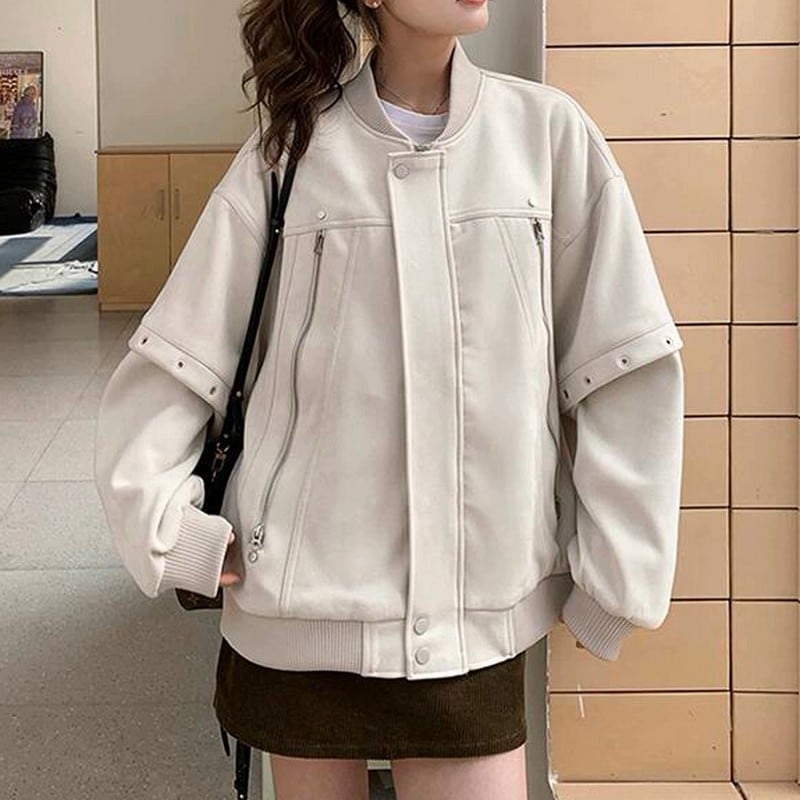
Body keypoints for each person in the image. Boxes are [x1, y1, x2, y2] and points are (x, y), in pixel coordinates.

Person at [93, 1, 685, 798]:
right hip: (298, 622)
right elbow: (171, 363)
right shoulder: (290, 153)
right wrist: (180, 539)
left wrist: (614, 583)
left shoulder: (547, 138)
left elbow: (626, 365)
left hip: (472, 632)